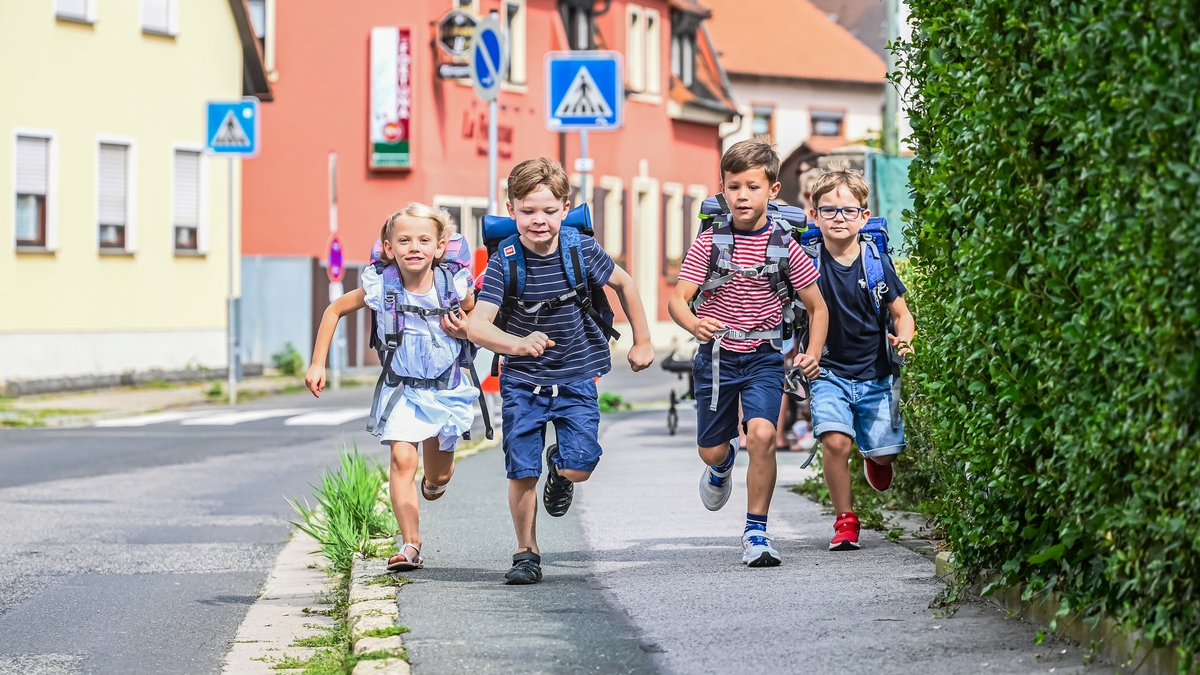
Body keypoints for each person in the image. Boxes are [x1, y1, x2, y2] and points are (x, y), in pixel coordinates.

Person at [467, 157, 654, 585]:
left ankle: (561, 466)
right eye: (528, 210)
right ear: (510, 208)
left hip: (577, 376)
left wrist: (643, 340)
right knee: (521, 470)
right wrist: (516, 344)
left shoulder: (580, 249)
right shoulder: (504, 262)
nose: (539, 221)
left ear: (565, 208)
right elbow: (478, 324)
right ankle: (526, 553)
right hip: (522, 382)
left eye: (549, 211)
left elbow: (624, 283)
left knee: (580, 466)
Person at [668, 138, 829, 567]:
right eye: (734, 186)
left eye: (753, 187)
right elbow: (678, 300)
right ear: (722, 189)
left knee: (761, 435)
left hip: (764, 354)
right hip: (717, 355)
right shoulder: (710, 242)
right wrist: (693, 323)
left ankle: (756, 532)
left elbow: (817, 305)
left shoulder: (785, 245)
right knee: (712, 450)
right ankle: (721, 467)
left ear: (773, 191)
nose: (743, 195)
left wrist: (810, 351)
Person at [304, 204, 478, 573]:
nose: (414, 247)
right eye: (404, 240)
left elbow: (475, 313)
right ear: (388, 247)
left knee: (438, 477)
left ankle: (433, 484)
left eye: (424, 240)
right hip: (403, 389)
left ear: (440, 246)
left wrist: (467, 328)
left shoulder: (453, 285)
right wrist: (318, 362)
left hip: (446, 389)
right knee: (401, 459)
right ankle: (410, 544)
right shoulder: (380, 285)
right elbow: (333, 310)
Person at [804, 160, 915, 551]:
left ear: (863, 216)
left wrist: (904, 340)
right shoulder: (807, 263)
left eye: (848, 210)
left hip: (876, 374)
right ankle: (845, 521)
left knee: (885, 457)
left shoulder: (876, 262)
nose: (838, 218)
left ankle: (877, 458)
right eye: (828, 210)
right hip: (828, 372)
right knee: (836, 442)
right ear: (813, 215)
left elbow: (902, 315)